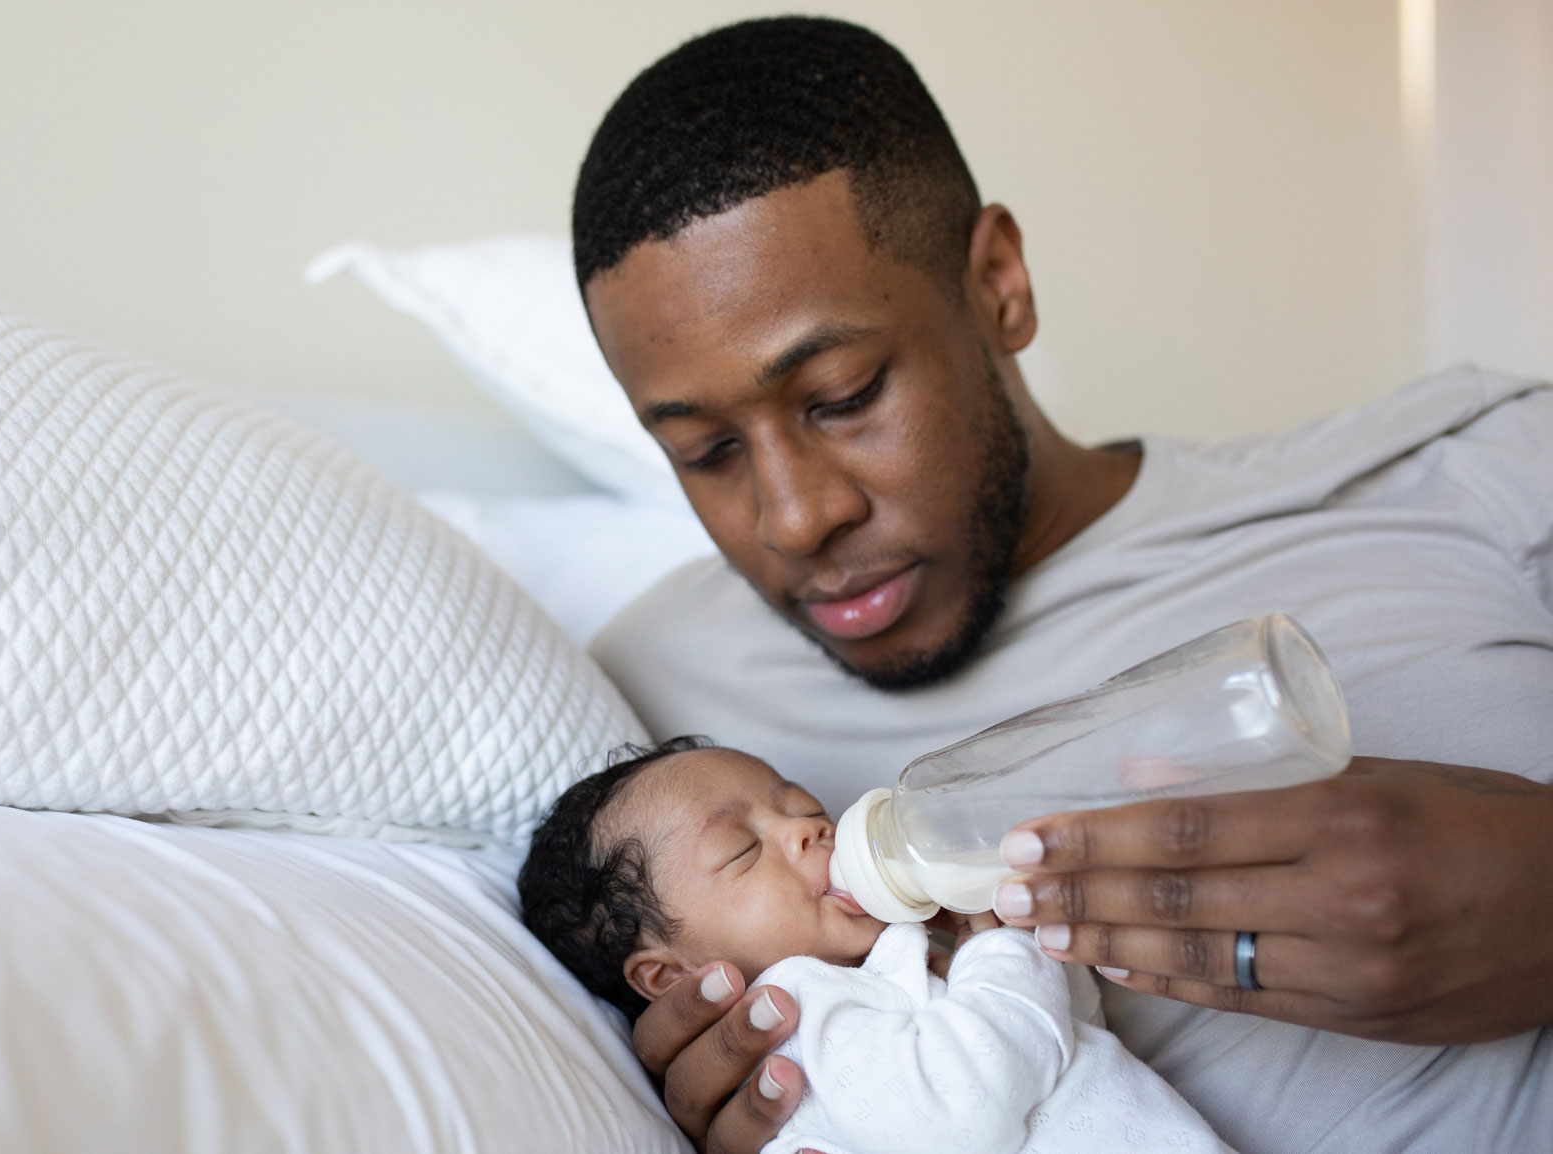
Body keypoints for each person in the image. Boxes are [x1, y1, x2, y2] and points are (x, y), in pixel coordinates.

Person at [568, 15, 1553, 1154]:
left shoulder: (1472, 470)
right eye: (703, 452)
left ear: (996, 285)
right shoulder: (644, 695)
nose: (795, 518)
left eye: (840, 394)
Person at [518, 737, 1232, 1154]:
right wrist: (998, 956)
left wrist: (1014, 924)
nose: (810, 832)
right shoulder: (798, 1011)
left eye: (804, 808)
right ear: (670, 973)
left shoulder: (907, 958)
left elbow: (1064, 1041)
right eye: (743, 849)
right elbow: (963, 1107)